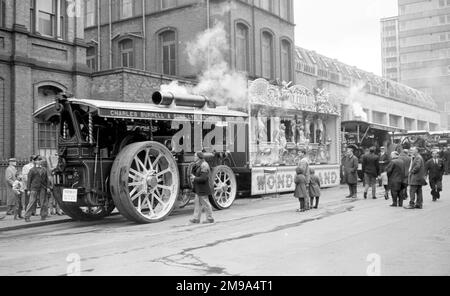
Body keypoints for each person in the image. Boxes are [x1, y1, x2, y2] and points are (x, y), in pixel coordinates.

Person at [189, 152, 214, 224]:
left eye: (195, 156)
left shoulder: (204, 165)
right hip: (199, 188)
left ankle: (210, 218)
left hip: (203, 188)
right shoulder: (198, 164)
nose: (194, 157)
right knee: (197, 203)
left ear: (199, 157)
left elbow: (204, 178)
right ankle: (196, 219)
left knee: (205, 203)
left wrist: (194, 178)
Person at [25, 156, 50, 222]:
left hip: (42, 187)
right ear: (35, 161)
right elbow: (29, 180)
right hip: (34, 188)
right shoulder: (32, 170)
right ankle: (27, 216)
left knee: (43, 202)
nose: (40, 161)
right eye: (38, 160)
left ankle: (43, 215)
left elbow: (47, 179)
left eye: (40, 160)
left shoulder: (44, 169)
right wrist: (28, 190)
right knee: (31, 202)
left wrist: (48, 187)